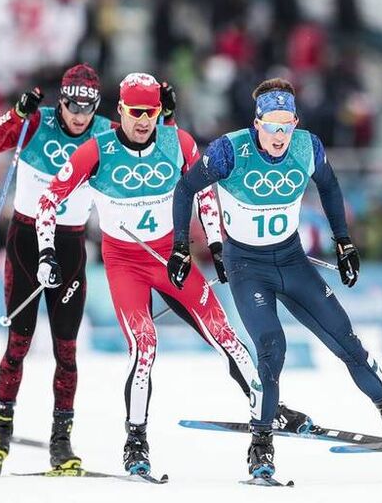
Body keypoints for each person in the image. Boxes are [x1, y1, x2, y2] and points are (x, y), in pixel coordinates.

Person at [170, 77, 382, 482]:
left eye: (287, 125)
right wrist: (182, 246)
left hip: (293, 261)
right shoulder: (230, 150)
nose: (280, 136)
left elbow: (330, 187)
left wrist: (344, 243)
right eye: (272, 126)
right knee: (271, 348)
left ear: (296, 122)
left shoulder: (307, 146)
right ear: (257, 122)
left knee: (346, 339)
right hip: (248, 268)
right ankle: (261, 442)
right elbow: (185, 188)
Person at [34, 72, 309, 476]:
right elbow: (47, 201)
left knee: (227, 338)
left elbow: (205, 192)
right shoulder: (98, 151)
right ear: (121, 111)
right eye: (136, 112)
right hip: (125, 263)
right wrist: (46, 253)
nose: (144, 120)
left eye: (152, 112)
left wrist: (216, 245)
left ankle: (266, 422)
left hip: (170, 258)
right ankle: (136, 441)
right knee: (144, 348)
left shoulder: (177, 142)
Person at [0, 64, 113, 472]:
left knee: (66, 351)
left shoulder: (105, 132)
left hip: (70, 244)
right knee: (18, 344)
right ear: (61, 100)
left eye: (86, 108)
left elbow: (149, 142)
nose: (78, 115)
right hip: (25, 240)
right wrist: (17, 114)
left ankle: (61, 441)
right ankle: (2, 425)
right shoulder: (37, 121)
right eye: (71, 105)